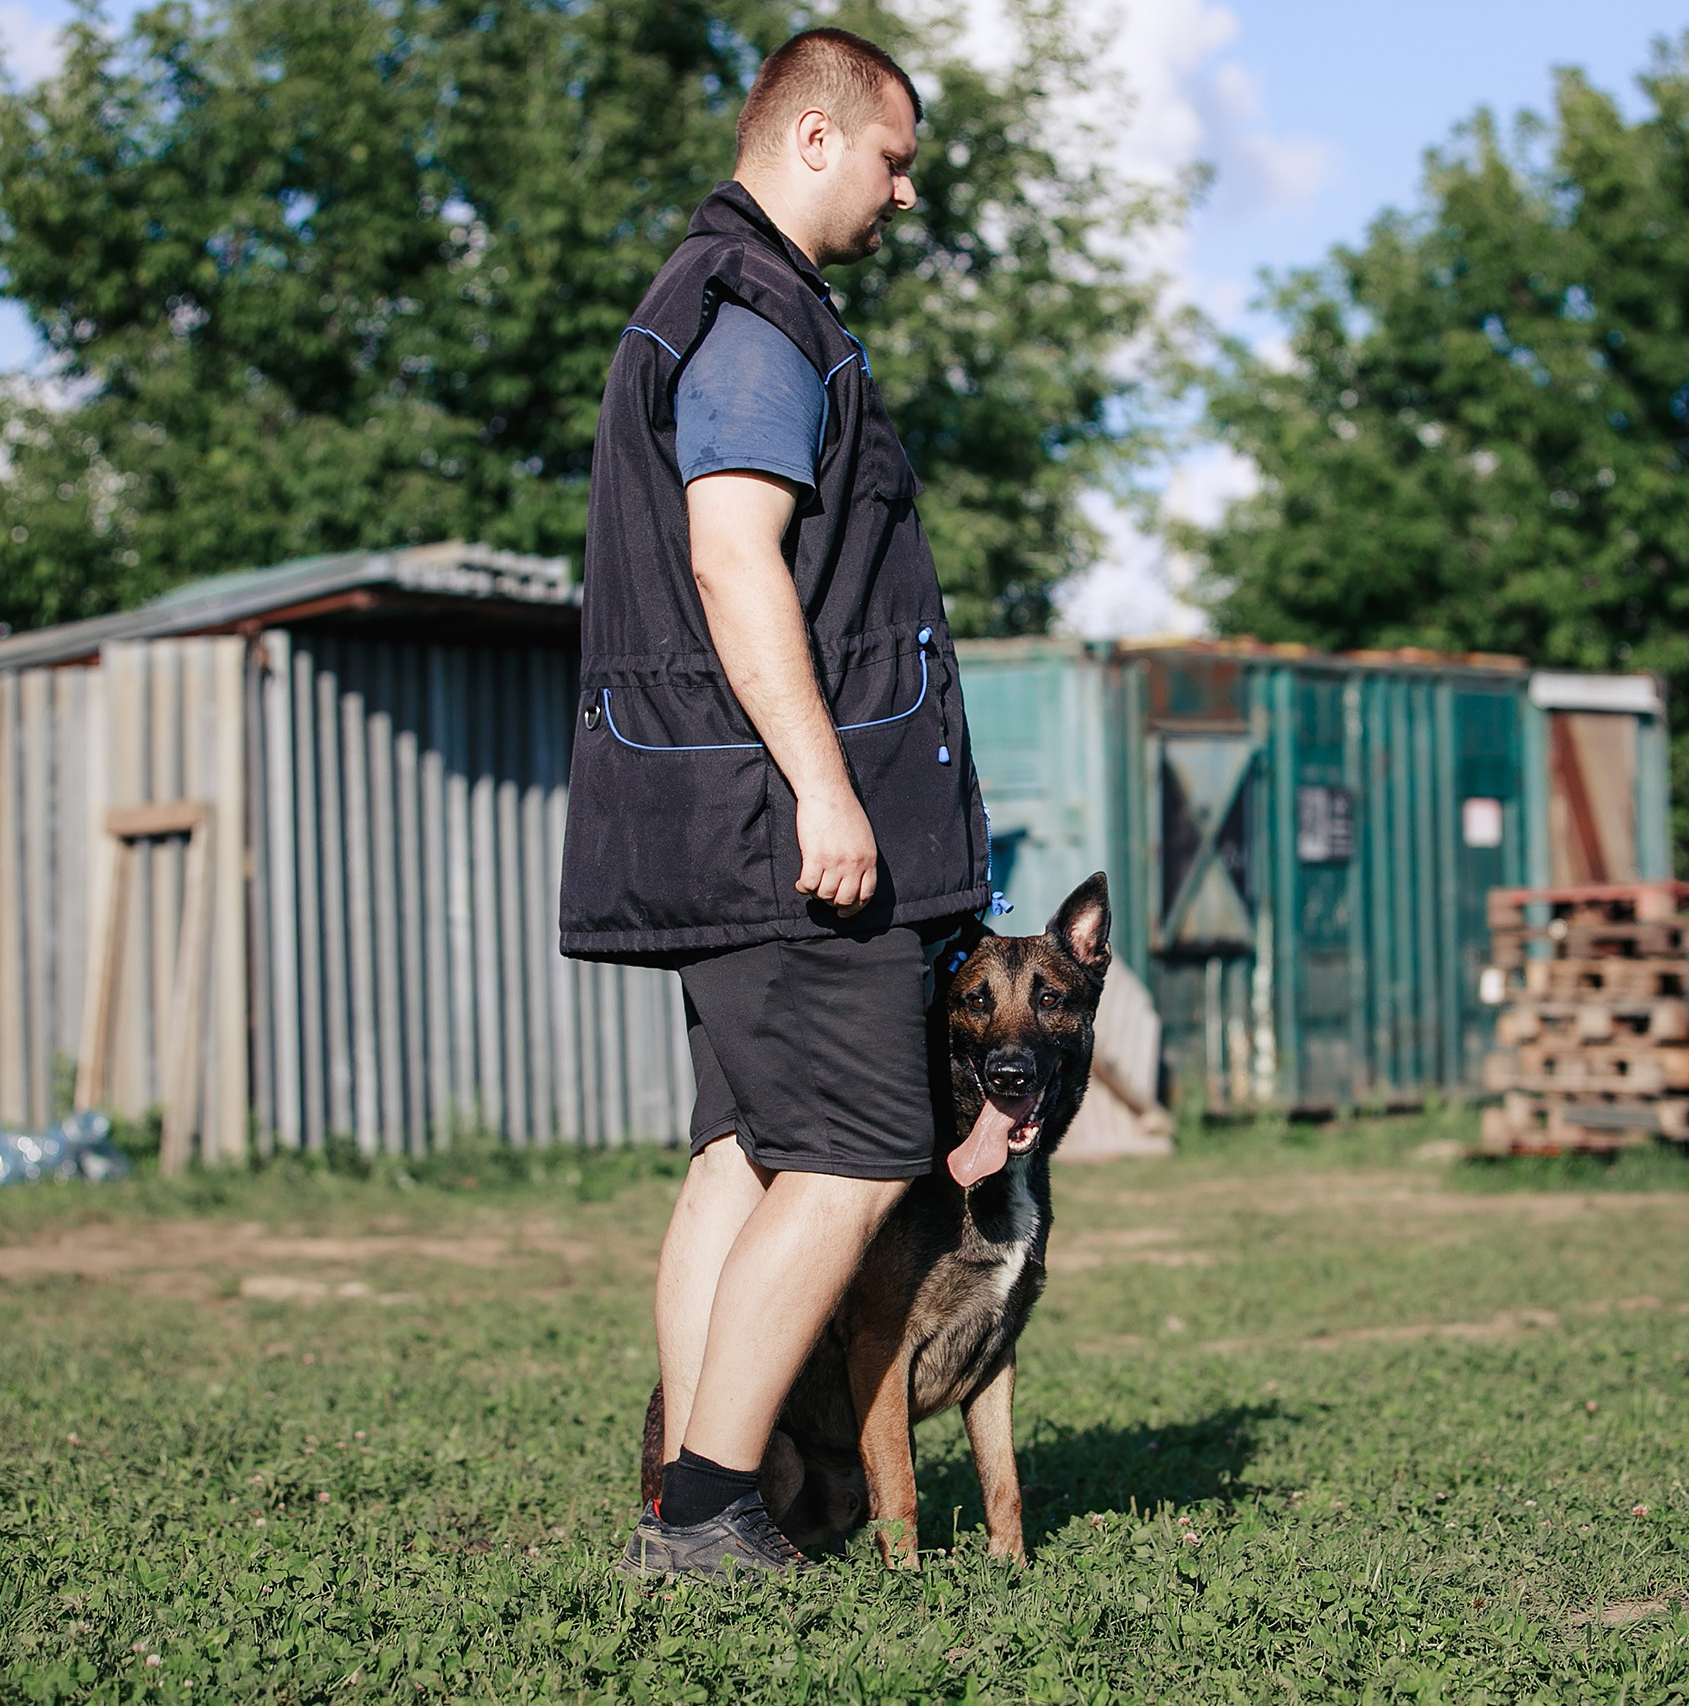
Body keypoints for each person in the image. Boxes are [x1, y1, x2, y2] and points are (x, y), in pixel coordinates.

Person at [557, 28, 991, 1579]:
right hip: (781, 826)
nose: (905, 191)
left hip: (717, 827)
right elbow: (733, 556)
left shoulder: (716, 302)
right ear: (815, 141)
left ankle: (692, 1488)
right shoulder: (757, 317)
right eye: (894, 157)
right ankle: (705, 1512)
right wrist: (825, 784)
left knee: (744, 1148)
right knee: (866, 1149)